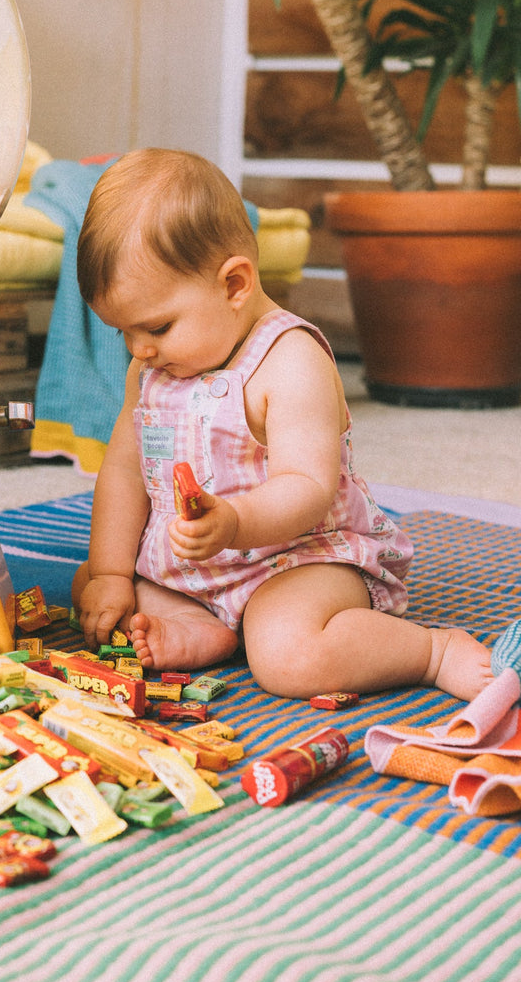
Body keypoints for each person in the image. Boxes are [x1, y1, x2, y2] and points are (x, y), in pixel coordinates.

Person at [71, 148, 493, 702]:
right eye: (122, 332)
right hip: (196, 567)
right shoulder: (149, 369)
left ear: (235, 285)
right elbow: (125, 474)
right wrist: (109, 572)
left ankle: (431, 651)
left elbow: (307, 489)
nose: (140, 349)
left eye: (157, 327)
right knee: (91, 586)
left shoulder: (291, 360)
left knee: (289, 657)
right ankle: (204, 629)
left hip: (296, 559)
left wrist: (234, 521)